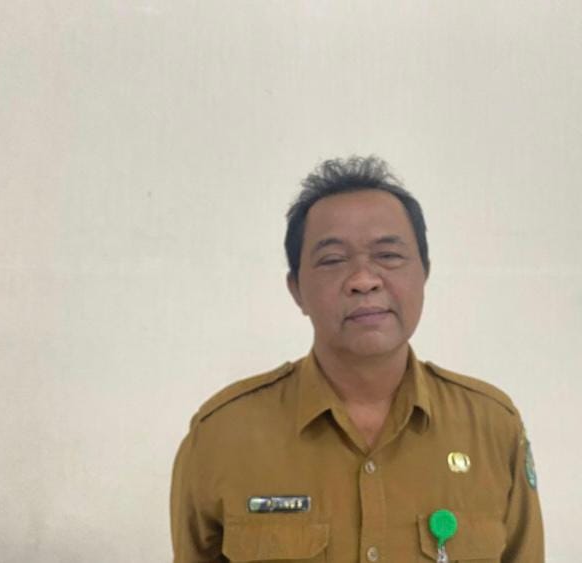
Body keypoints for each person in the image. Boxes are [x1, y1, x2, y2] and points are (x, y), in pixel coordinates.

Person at [170, 156, 544, 562]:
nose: (364, 280)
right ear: (296, 290)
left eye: (389, 255)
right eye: (333, 260)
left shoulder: (492, 428)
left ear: (424, 273)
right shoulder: (222, 436)